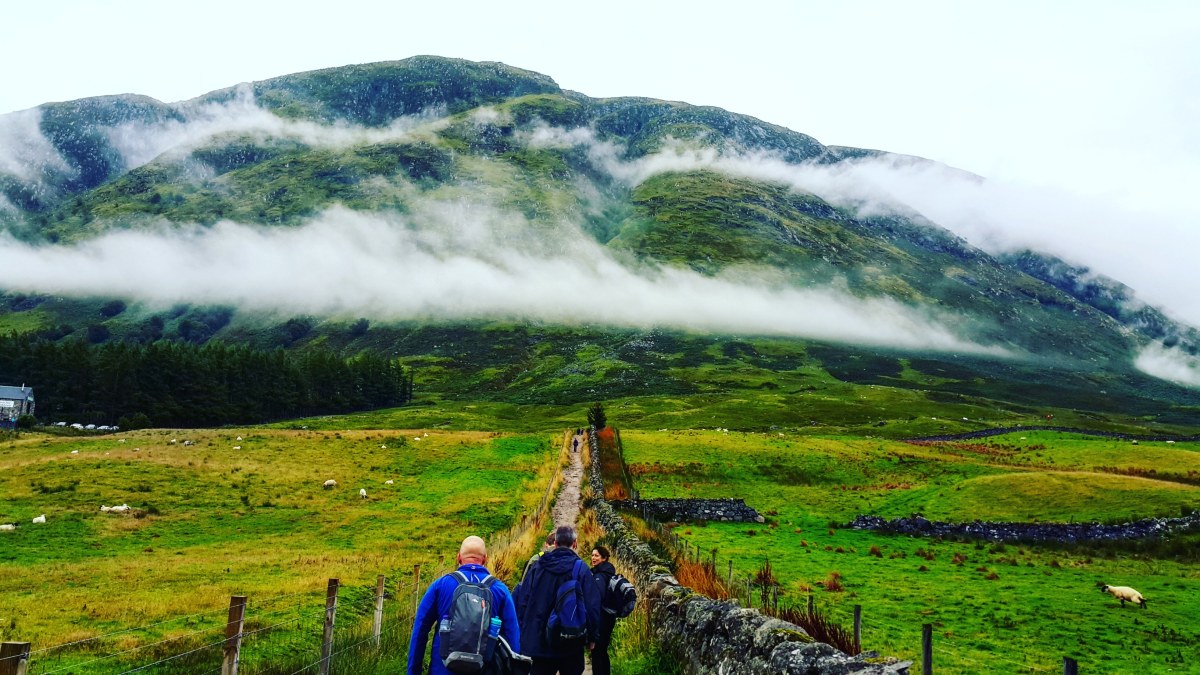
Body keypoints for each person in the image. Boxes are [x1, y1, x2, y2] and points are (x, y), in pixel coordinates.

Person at [408, 535, 521, 675]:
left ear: (459, 557)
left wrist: (413, 671)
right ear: (485, 559)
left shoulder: (440, 585)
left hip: (442, 670)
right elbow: (512, 637)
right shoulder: (500, 590)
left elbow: (420, 631)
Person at [514, 525, 601, 675]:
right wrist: (592, 637)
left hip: (540, 642)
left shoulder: (538, 566)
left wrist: (523, 632)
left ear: (555, 543)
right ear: (575, 544)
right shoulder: (581, 569)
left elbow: (523, 601)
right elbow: (592, 605)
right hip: (570, 641)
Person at [588, 546, 618, 675]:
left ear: (604, 558)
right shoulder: (608, 572)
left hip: (601, 619)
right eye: (592, 555)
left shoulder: (600, 576)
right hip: (609, 617)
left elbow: (596, 599)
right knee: (602, 652)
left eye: (597, 556)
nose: (593, 558)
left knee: (597, 653)